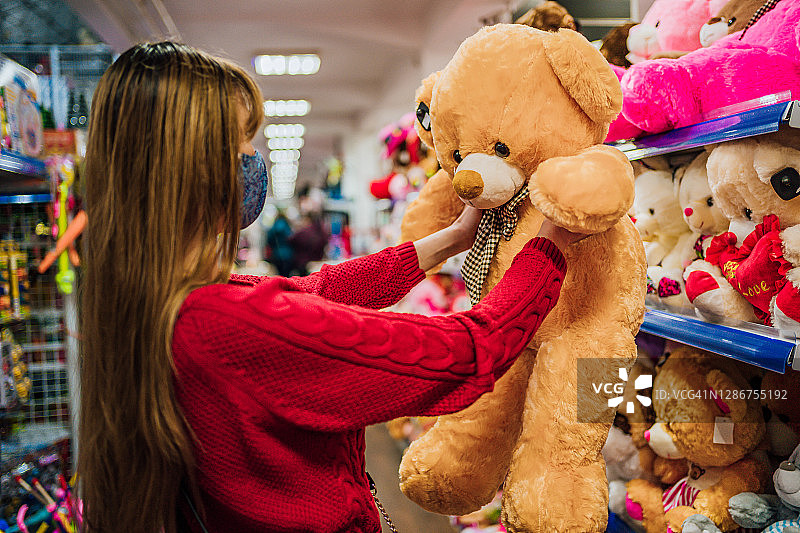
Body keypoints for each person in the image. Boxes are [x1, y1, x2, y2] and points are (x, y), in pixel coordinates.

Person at [78, 41, 585, 533]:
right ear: (192, 168)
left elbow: (315, 292)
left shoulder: (162, 303)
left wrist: (448, 241)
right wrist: (551, 241)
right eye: (242, 140)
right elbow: (465, 350)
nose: (254, 157)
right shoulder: (217, 324)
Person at [265, 211, 295, 277]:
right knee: (287, 274)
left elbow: (269, 241)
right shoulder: (287, 226)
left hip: (276, 254)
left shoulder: (273, 227)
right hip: (288, 254)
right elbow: (292, 238)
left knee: (279, 274)